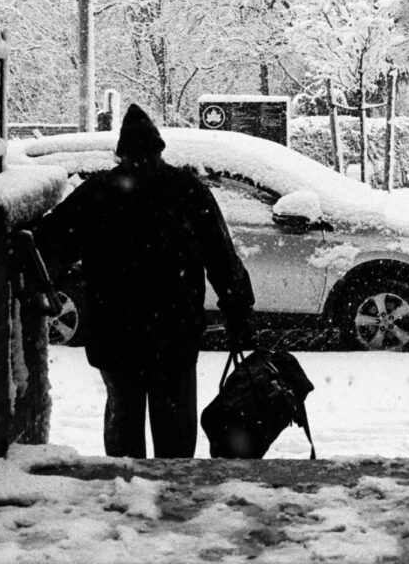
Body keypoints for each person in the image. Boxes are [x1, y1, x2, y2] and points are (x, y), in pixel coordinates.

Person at [28, 104, 255, 458]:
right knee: (173, 435)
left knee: (125, 430)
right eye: (138, 155)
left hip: (119, 332)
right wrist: (237, 306)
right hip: (171, 333)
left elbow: (53, 240)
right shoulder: (187, 191)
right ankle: (168, 494)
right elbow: (221, 256)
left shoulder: (100, 193)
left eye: (143, 154)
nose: (142, 162)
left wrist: (29, 257)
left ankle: (128, 492)